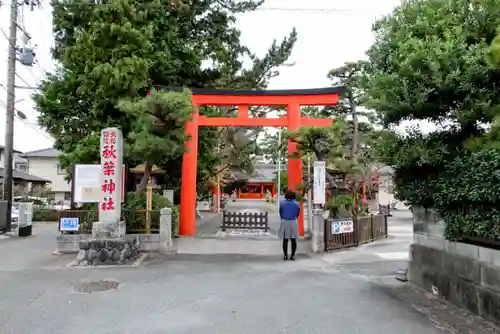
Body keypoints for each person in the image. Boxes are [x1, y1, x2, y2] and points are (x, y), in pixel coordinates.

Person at [278, 190, 300, 260]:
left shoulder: (282, 203)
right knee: (293, 240)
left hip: (284, 221)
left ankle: (285, 255)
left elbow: (280, 212)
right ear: (294, 196)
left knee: (285, 239)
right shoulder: (297, 204)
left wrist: (283, 218)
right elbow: (297, 214)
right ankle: (292, 256)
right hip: (293, 221)